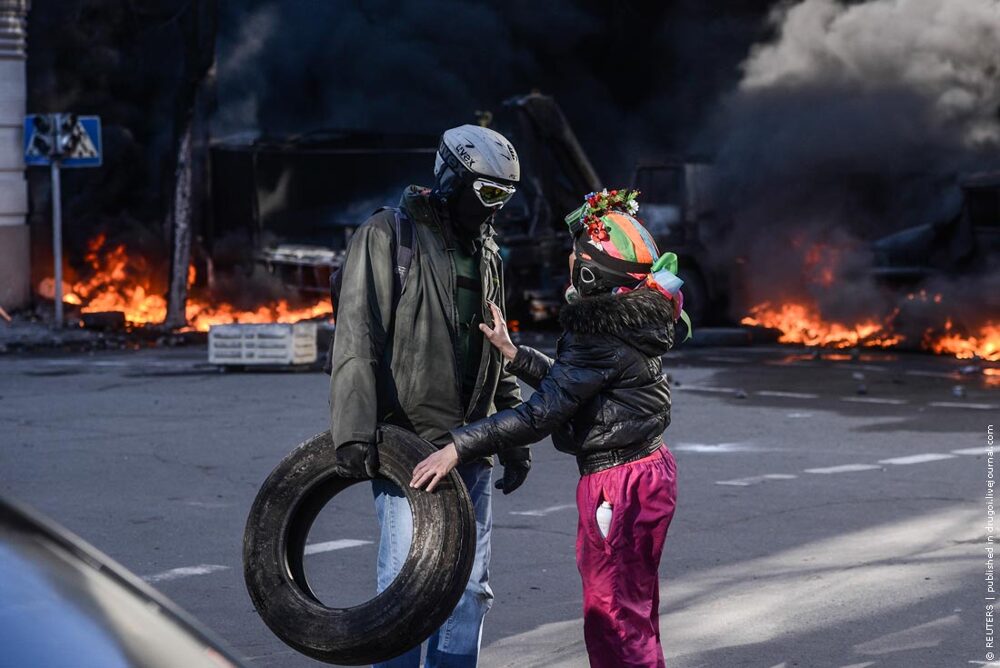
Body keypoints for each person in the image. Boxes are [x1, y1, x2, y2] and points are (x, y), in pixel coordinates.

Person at [411, 189, 684, 668]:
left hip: (616, 485)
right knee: (636, 604)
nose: (569, 264)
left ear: (590, 272)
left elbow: (542, 413)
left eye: (575, 258)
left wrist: (458, 446)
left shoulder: (597, 334)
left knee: (613, 612)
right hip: (650, 470)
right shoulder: (635, 320)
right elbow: (577, 381)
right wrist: (516, 355)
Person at [328, 124, 532, 668]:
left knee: (469, 593)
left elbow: (497, 348)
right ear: (452, 179)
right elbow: (356, 337)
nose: (494, 209)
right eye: (487, 193)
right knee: (405, 589)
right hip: (410, 449)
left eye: (505, 197)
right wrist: (353, 433)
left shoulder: (488, 251)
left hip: (471, 449)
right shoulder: (386, 236)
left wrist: (512, 436)